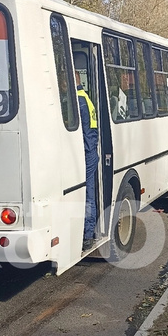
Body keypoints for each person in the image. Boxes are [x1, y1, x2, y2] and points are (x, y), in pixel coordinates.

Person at [76, 73, 99, 250]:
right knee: (87, 192)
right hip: (90, 149)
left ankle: (87, 233)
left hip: (87, 152)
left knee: (87, 193)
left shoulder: (78, 101)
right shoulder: (85, 97)